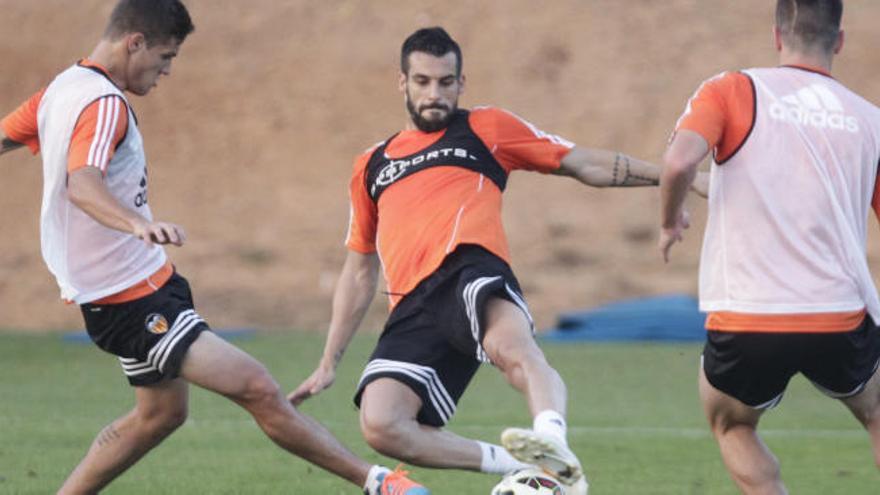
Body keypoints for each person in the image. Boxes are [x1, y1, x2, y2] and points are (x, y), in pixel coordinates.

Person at [0, 1, 429, 494]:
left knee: (160, 414)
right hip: (129, 299)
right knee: (259, 388)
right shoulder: (103, 105)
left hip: (145, 286)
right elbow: (83, 184)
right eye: (165, 56)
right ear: (133, 42)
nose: (166, 71)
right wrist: (139, 224)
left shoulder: (61, 89)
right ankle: (380, 484)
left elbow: (6, 136)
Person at [291, 26, 706, 494]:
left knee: (513, 350)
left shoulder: (485, 128)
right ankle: (527, 468)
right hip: (409, 304)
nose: (435, 93)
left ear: (461, 83)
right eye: (423, 81)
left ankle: (552, 442)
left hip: (468, 267)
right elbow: (359, 268)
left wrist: (679, 176)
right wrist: (329, 361)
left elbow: (581, 162)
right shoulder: (371, 164)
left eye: (446, 82)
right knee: (382, 424)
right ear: (401, 83)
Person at [659, 0, 880, 493]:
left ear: (778, 35)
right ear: (839, 41)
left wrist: (670, 221)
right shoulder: (870, 120)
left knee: (733, 425)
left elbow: (678, 165)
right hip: (838, 313)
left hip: (748, 317)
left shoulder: (731, 89)